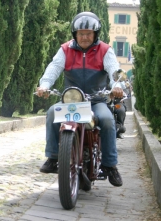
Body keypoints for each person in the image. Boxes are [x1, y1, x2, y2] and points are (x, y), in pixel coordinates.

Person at [35, 12, 123, 187]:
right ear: (74, 34)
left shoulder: (105, 50)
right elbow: (53, 68)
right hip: (71, 100)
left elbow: (114, 70)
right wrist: (44, 85)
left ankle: (110, 165)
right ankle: (53, 157)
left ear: (95, 34)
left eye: (88, 34)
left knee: (106, 120)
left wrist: (116, 86)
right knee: (52, 112)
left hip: (97, 100)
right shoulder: (65, 49)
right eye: (81, 33)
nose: (84, 37)